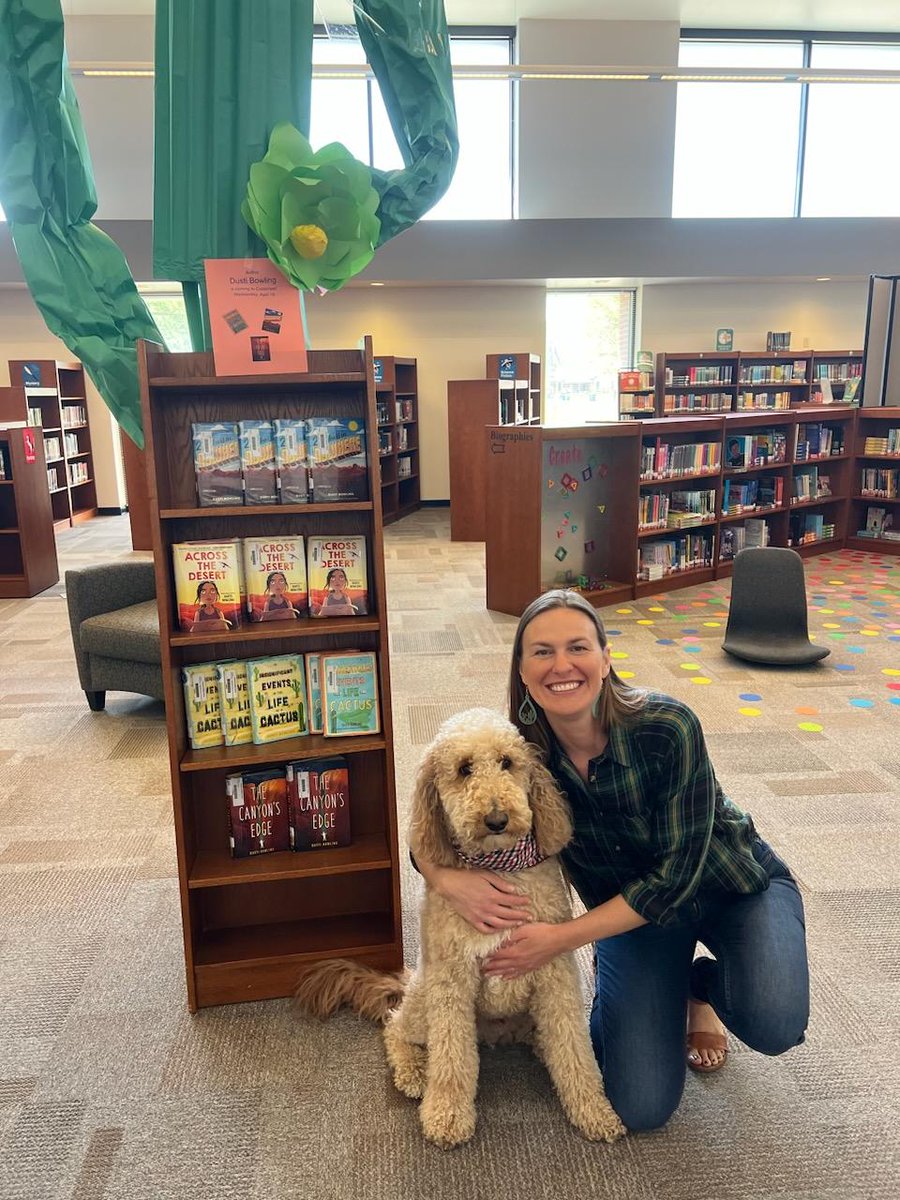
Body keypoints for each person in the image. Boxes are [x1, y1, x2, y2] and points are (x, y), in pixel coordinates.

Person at [415, 589, 809, 1131]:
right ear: (523, 673)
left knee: (775, 1019)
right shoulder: (522, 750)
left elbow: (675, 880)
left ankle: (699, 988)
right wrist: (444, 879)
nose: (561, 666)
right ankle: (647, 980)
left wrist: (562, 937)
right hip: (630, 917)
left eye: (577, 647)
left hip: (728, 888)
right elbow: (435, 818)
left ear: (605, 657)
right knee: (641, 1105)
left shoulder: (667, 726)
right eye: (541, 652)